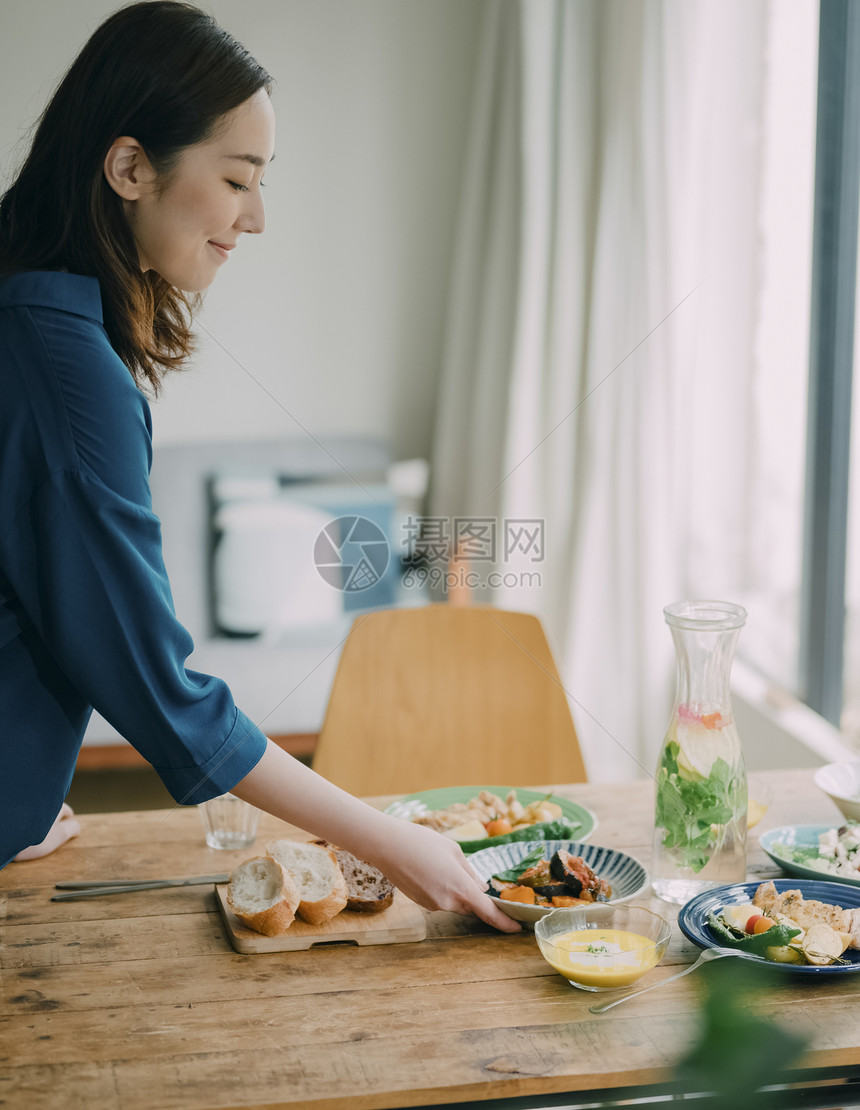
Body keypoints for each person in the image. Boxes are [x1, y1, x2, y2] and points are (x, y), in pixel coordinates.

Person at [0, 0, 518, 932]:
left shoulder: (28, 316)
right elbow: (161, 696)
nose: (258, 216)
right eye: (239, 179)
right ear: (129, 167)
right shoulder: (66, 373)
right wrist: (390, 840)